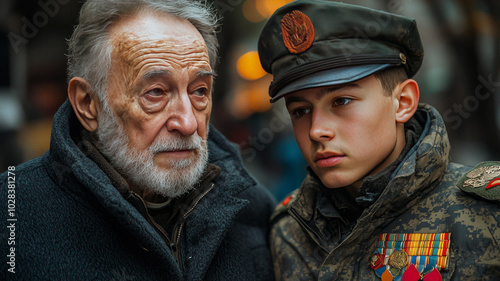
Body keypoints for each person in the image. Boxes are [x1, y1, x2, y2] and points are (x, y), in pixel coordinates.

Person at [0, 0, 276, 280]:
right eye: (155, 92)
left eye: (199, 91)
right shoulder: (13, 216)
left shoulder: (252, 209)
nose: (189, 122)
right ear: (87, 104)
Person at [257, 0, 500, 280]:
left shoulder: (485, 213)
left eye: (341, 101)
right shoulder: (289, 231)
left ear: (403, 102)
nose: (316, 130)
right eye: (300, 111)